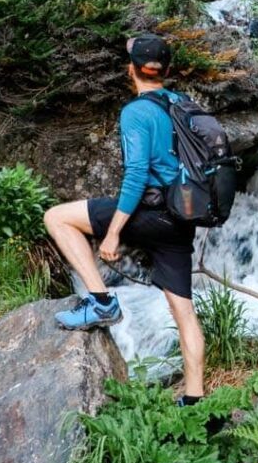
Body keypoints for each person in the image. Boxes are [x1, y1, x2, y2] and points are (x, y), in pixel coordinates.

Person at [44, 33, 205, 404]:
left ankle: (101, 301)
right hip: (182, 216)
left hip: (148, 213)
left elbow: (136, 175)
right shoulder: (183, 104)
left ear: (131, 70)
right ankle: (194, 401)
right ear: (166, 70)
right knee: (184, 312)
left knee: (57, 217)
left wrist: (114, 233)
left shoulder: (136, 112)